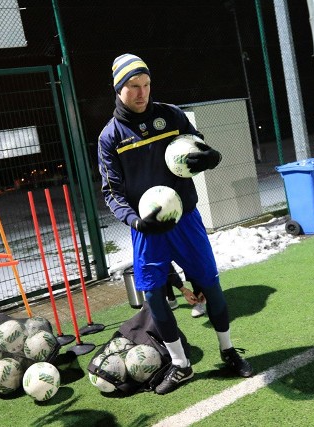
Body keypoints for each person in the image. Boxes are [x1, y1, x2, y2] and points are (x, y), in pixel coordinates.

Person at [98, 54, 254, 395]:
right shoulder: (110, 137)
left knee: (210, 286)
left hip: (186, 220)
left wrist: (210, 157)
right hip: (147, 230)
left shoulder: (171, 115)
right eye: (133, 87)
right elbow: (111, 192)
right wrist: (135, 222)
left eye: (146, 85)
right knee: (154, 295)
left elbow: (197, 148)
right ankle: (181, 365)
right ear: (118, 89)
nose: (142, 93)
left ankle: (228, 350)